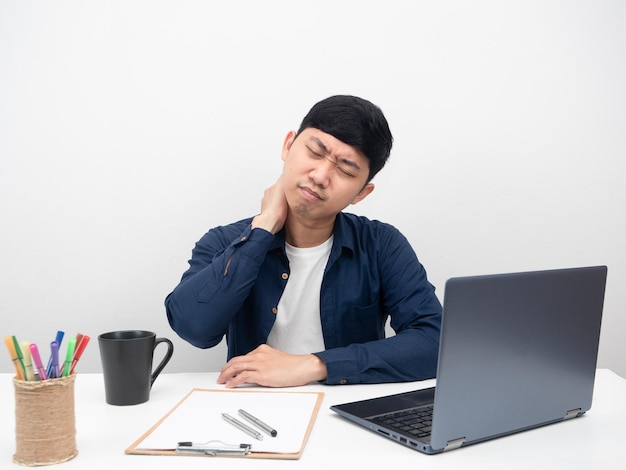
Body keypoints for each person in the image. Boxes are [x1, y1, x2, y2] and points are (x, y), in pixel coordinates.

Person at [165, 95, 442, 388]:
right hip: (252, 407)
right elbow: (193, 329)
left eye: (346, 170)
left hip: (347, 412)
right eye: (314, 151)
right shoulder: (226, 241)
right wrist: (262, 230)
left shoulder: (381, 245)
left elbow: (434, 342)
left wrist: (315, 365)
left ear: (361, 193)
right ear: (288, 145)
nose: (321, 175)